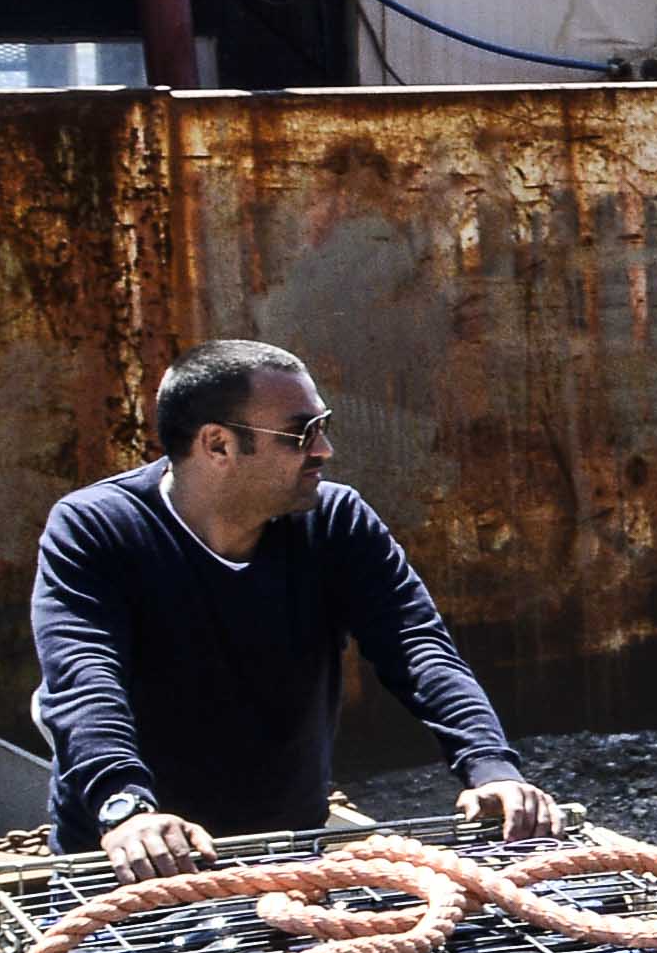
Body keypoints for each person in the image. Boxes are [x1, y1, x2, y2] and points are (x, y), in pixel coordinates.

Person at [31, 339, 560, 878]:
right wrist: (125, 805)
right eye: (301, 433)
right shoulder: (97, 528)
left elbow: (416, 646)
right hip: (131, 858)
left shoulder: (336, 521)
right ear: (217, 444)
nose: (324, 449)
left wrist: (490, 766)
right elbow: (83, 678)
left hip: (284, 851)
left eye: (322, 426)